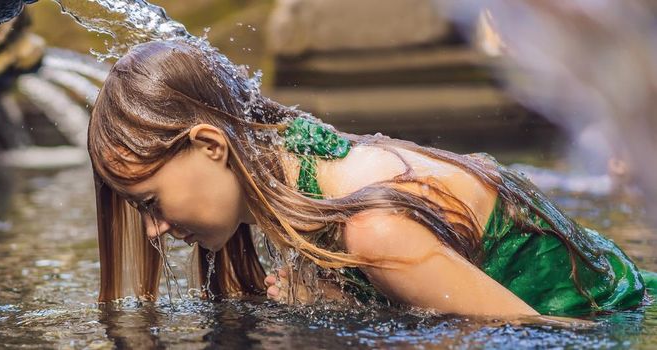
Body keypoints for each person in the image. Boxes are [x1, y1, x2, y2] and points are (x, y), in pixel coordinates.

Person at [86, 39, 657, 317]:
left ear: (210, 145)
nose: (155, 229)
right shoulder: (306, 168)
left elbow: (534, 339)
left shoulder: (371, 229)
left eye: (150, 201)